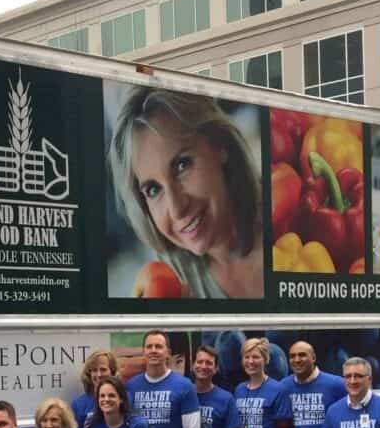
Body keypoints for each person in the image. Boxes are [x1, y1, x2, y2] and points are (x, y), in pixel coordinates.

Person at [108, 87, 264, 299]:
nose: (176, 209)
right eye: (153, 189)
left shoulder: (285, 220)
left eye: (182, 166)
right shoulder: (175, 282)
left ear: (219, 146)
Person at [73, 350, 119, 428]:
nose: (99, 374)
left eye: (103, 369)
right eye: (94, 370)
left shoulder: (125, 398)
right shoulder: (78, 405)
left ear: (113, 372)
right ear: (89, 374)